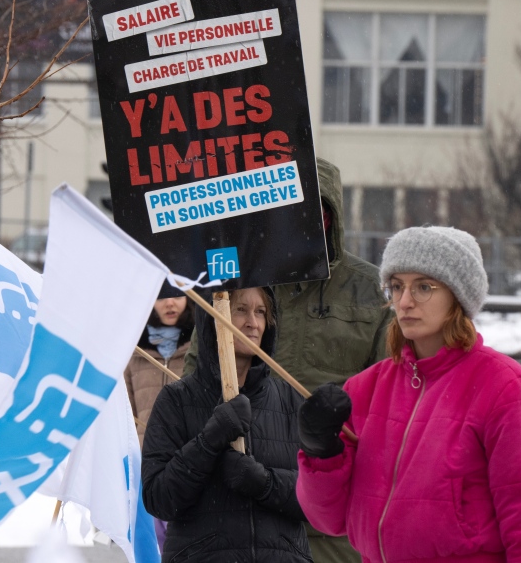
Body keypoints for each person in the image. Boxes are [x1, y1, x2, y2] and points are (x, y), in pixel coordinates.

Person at [295, 226, 521, 563]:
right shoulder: (365, 389)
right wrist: (322, 453)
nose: (404, 301)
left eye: (424, 287)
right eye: (397, 286)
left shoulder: (506, 388)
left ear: (458, 296)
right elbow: (329, 519)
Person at [185, 157, 393, 563]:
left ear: (331, 216)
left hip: (331, 524)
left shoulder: (371, 291)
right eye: (289, 207)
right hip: (237, 510)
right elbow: (195, 378)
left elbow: (389, 404)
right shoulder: (236, 282)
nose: (302, 220)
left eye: (316, 209)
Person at [142, 288, 311, 562]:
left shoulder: (290, 399)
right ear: (213, 316)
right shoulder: (177, 400)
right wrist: (208, 441)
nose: (252, 323)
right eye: (240, 309)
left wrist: (264, 483)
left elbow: (318, 499)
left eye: (261, 312)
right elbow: (159, 499)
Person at [123, 293, 194, 550]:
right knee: (149, 549)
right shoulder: (135, 351)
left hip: (187, 467)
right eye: (161, 296)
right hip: (145, 470)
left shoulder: (198, 350)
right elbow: (125, 416)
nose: (169, 303)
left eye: (176, 294)